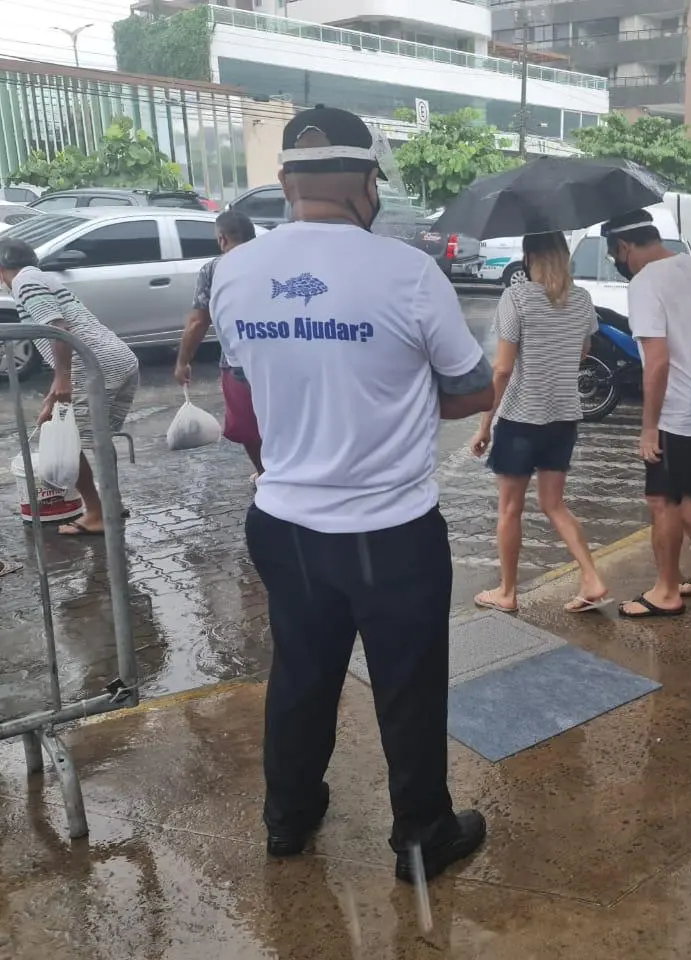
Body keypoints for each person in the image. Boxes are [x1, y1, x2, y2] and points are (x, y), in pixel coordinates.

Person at [210, 107, 493, 881]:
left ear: (285, 182)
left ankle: (288, 818)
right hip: (389, 530)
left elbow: (245, 387)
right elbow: (473, 390)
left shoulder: (233, 272)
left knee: (301, 674)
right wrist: (394, 391)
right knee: (408, 686)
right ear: (368, 182)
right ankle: (421, 837)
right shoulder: (408, 271)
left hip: (283, 521)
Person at [602, 210, 691, 618]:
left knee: (660, 498)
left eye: (615, 255)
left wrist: (649, 428)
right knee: (683, 491)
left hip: (678, 409)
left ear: (623, 247)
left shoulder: (645, 283)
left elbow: (657, 361)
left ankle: (665, 591)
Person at [469, 232, 610, 615]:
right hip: (563, 417)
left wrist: (485, 424)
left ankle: (507, 592)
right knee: (554, 505)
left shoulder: (516, 297)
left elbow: (502, 368)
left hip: (521, 418)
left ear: (529, 256)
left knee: (509, 510)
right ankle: (591, 578)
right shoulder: (581, 299)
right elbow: (583, 352)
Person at [0, 237, 139, 537]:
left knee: (68, 440)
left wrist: (62, 378)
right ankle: (111, 505)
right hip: (117, 359)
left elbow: (57, 328)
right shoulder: (40, 277)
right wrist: (55, 392)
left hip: (93, 364)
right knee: (98, 439)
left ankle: (97, 514)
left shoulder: (24, 282)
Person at [174, 210, 263, 478]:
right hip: (284, 354)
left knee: (248, 425)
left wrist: (183, 362)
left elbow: (198, 322)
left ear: (222, 239)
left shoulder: (215, 269)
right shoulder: (273, 262)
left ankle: (265, 474)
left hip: (238, 362)